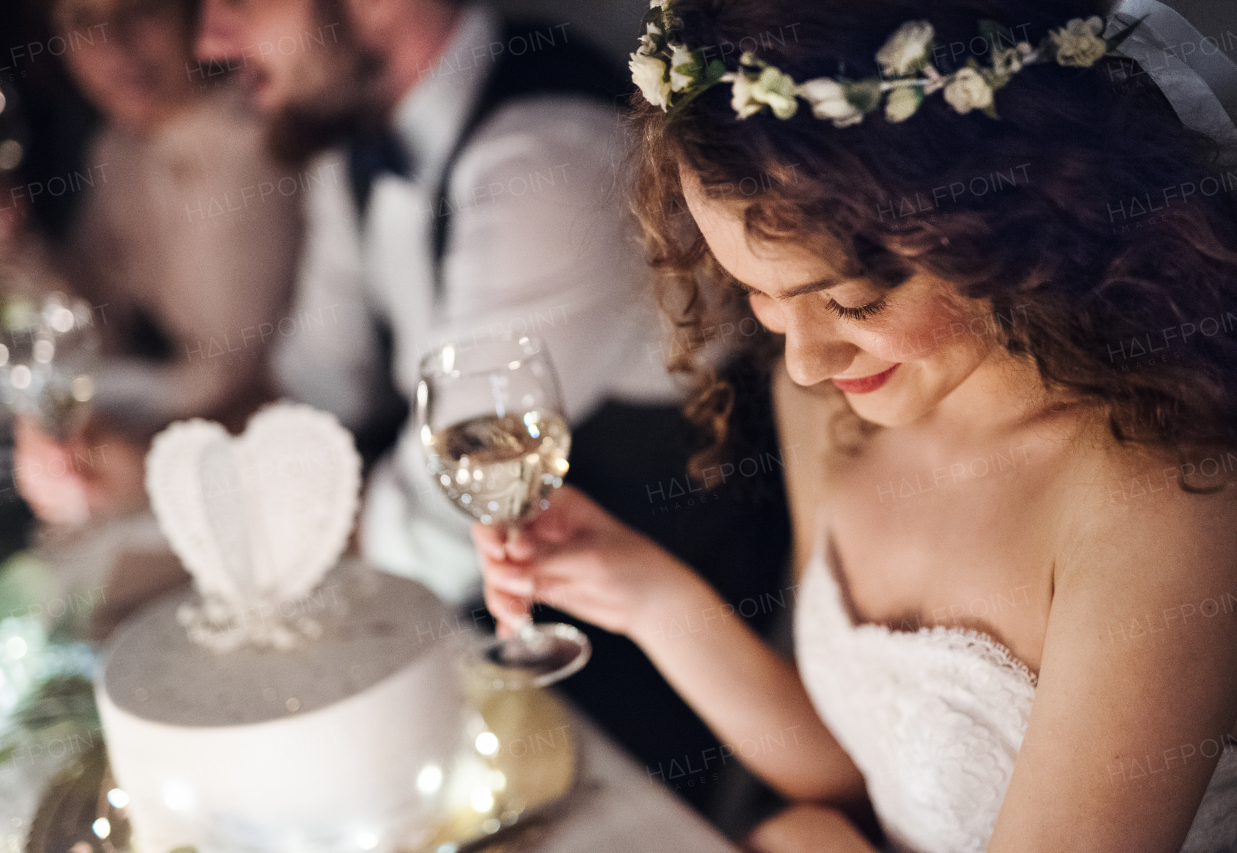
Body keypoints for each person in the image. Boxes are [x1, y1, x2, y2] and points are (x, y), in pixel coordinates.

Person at [475, 0, 1237, 850]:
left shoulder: (1169, 501)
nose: (804, 360)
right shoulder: (836, 404)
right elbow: (863, 780)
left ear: (1012, 215)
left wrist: (806, 842)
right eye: (761, 295)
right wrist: (646, 592)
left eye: (851, 301)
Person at [193, 0, 794, 815]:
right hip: (462, 651)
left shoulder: (551, 153)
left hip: (644, 713)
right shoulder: (359, 139)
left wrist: (240, 527)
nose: (206, 39)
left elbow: (440, 518)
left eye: (233, 0)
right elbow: (311, 390)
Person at [14, 0, 301, 525]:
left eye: (141, 12)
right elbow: (91, 322)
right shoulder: (117, 147)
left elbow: (230, 376)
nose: (113, 47)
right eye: (83, 24)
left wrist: (117, 443)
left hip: (266, 477)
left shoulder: (255, 145)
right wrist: (17, 245)